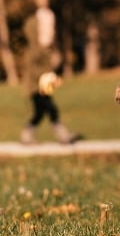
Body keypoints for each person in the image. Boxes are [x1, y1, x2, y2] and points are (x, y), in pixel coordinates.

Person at [19, 7, 79, 145]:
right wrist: (46, 76)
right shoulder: (34, 50)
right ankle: (62, 136)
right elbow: (32, 69)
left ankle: (27, 136)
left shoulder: (44, 49)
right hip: (35, 88)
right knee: (51, 110)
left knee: (40, 113)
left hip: (42, 87)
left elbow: (46, 67)